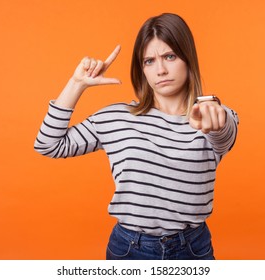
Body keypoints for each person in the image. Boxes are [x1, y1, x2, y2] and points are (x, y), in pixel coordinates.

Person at [34, 13, 239, 260]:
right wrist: (77, 84)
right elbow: (48, 144)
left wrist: (216, 120)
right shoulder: (116, 117)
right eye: (149, 61)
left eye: (169, 57)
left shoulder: (209, 115)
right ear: (141, 69)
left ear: (188, 59)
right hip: (129, 249)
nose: (160, 70)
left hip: (191, 249)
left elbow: (222, 134)